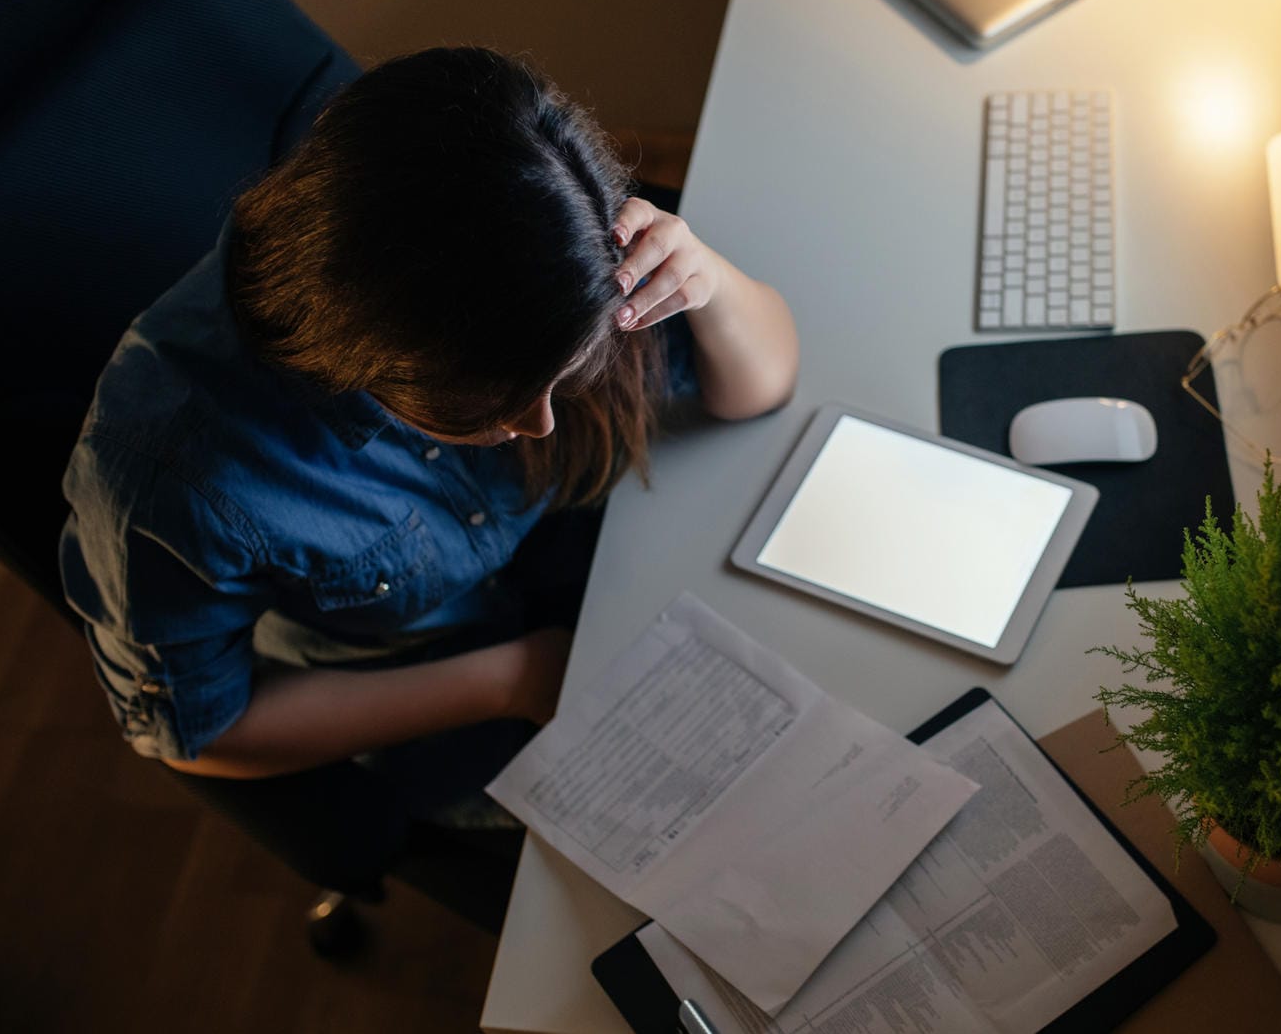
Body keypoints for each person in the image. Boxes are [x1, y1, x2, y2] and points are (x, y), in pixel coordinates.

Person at [58, 48, 798, 796]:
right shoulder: (171, 481)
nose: (541, 423)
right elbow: (196, 729)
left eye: (556, 383)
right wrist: (515, 678)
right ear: (382, 361)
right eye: (493, 400)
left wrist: (710, 279)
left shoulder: (531, 230)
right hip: (442, 691)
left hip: (602, 563)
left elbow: (760, 388)